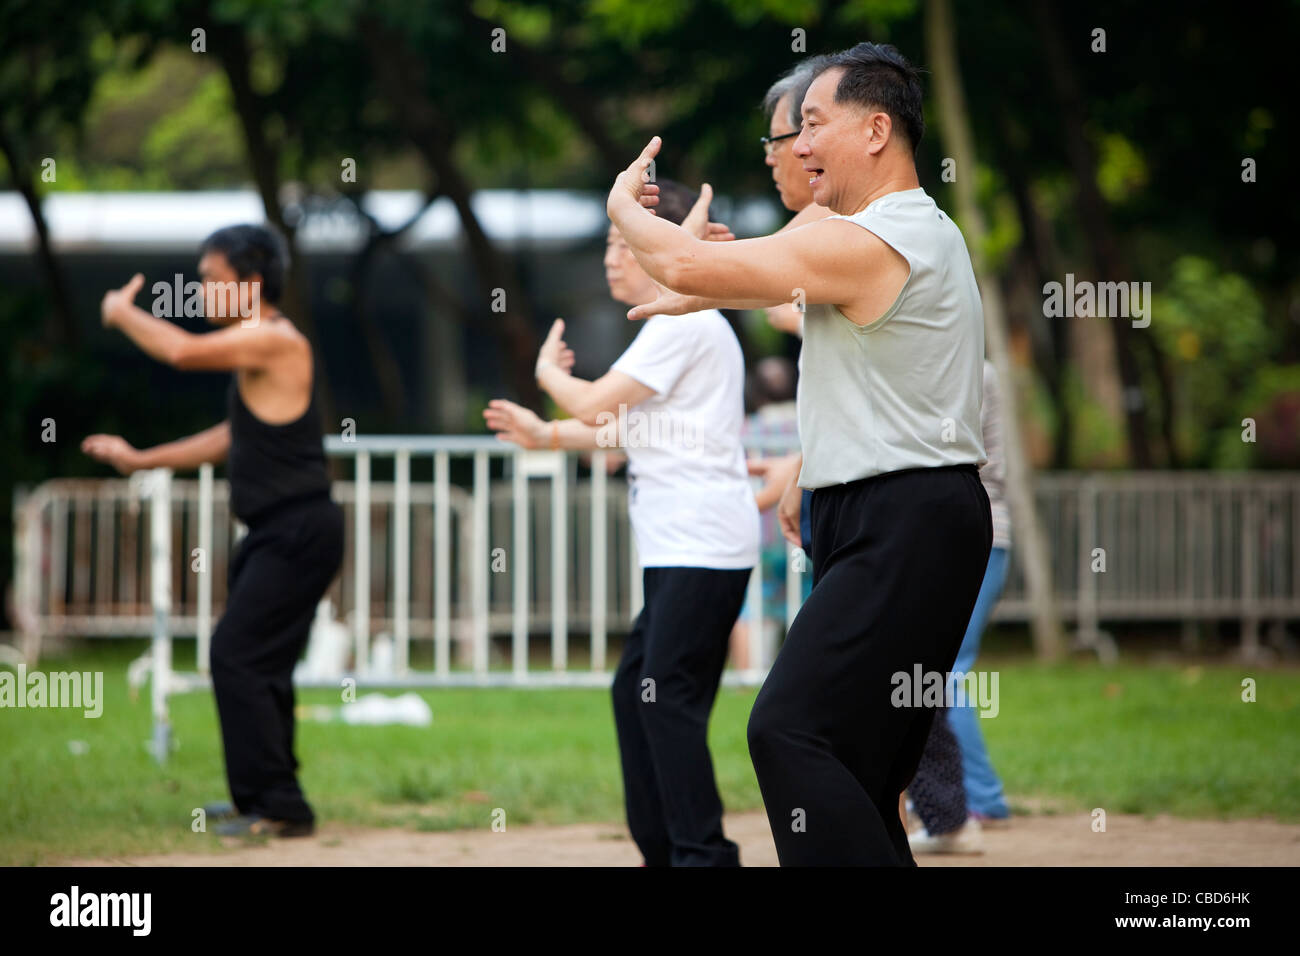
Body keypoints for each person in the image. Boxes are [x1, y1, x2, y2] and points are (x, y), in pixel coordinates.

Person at [606, 42, 992, 866]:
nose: (799, 144)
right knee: (855, 769)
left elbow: (686, 258)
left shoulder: (882, 238)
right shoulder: (864, 232)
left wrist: (625, 211)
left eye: (813, 125)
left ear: (878, 129)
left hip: (907, 517)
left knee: (786, 729)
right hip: (887, 511)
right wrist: (812, 468)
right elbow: (767, 283)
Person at [484, 181, 759, 867]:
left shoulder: (682, 326)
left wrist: (547, 374)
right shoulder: (673, 330)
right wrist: (544, 436)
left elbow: (596, 404)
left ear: (662, 248)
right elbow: (622, 429)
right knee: (639, 693)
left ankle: (702, 856)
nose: (612, 259)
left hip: (704, 546)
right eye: (609, 244)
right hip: (683, 548)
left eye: (622, 243)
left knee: (665, 700)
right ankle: (668, 852)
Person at [82, 224, 342, 838]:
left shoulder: (275, 340)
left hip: (298, 529)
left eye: (211, 281)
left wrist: (122, 314)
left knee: (235, 656)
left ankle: (275, 804)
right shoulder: (257, 349)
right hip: (281, 530)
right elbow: (232, 438)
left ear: (250, 285)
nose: (200, 292)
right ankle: (275, 802)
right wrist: (144, 459)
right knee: (262, 663)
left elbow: (179, 352)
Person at [908, 359, 1014, 853]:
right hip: (969, 532)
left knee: (944, 671)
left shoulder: (969, 368)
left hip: (980, 534)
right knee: (941, 670)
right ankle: (969, 800)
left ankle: (979, 799)